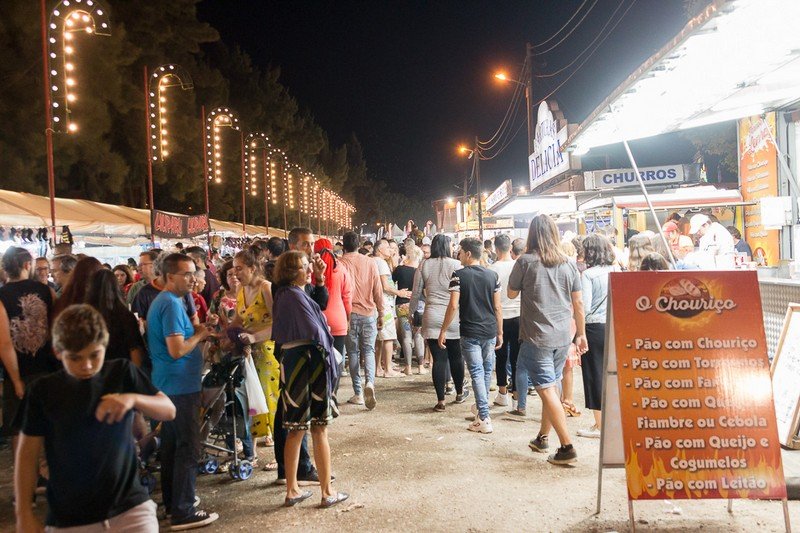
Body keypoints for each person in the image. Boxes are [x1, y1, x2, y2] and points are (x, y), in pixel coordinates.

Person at [14, 304, 176, 533]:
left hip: (131, 510)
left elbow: (169, 410)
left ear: (104, 345)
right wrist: (23, 513)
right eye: (75, 358)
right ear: (58, 352)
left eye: (94, 355)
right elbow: (27, 456)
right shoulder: (42, 391)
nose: (87, 365)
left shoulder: (121, 371)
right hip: (70, 519)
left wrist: (132, 399)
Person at [146, 253, 219, 529]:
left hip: (171, 384)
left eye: (193, 273)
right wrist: (200, 335)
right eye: (186, 274)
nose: (192, 279)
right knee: (188, 447)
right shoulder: (170, 304)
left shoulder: (169, 301)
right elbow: (176, 350)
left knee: (172, 447)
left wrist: (199, 330)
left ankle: (173, 503)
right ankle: (183, 510)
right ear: (169, 277)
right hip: (178, 386)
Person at [508, 214, 587, 465]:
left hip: (536, 336)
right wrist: (581, 334)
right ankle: (543, 437)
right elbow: (578, 303)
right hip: (563, 336)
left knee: (546, 388)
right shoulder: (568, 264)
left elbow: (511, 293)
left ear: (531, 234)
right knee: (551, 385)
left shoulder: (525, 262)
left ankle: (567, 446)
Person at [272, 251, 348, 508]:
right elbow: (316, 330)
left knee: (296, 429)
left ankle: (292, 489)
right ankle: (327, 491)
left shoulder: (287, 294)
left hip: (294, 364)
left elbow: (318, 307)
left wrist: (319, 279)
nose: (308, 270)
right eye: (303, 266)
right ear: (291, 271)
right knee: (319, 428)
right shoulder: (293, 295)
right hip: (310, 363)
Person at [0, 247, 58, 487]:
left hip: (19, 370)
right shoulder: (46, 291)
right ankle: (50, 477)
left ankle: (25, 486)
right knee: (50, 426)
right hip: (48, 369)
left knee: (20, 431)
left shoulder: (1, 296)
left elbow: (5, 343)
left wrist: (15, 379)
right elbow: (57, 331)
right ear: (27, 265)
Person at [439, 238, 502, 433]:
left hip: (470, 331)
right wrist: (499, 331)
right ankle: (481, 411)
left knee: (476, 372)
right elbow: (497, 307)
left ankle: (484, 417)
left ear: (468, 254)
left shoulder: (458, 275)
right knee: (485, 371)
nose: (458, 254)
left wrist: (443, 330)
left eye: (460, 251)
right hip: (489, 330)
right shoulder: (493, 275)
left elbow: (453, 305)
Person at [410, 234, 467, 411]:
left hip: (432, 315)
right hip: (452, 315)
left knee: (439, 359)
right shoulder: (457, 264)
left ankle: (441, 400)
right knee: (456, 356)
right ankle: (459, 392)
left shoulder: (424, 265)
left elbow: (416, 292)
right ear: (447, 247)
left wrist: (412, 312)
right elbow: (463, 292)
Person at [231, 249, 278, 456]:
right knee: (252, 400)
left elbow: (279, 323)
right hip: (247, 354)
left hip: (267, 352)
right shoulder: (240, 290)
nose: (236, 274)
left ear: (252, 268)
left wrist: (255, 337)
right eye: (234, 269)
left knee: (270, 398)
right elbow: (238, 320)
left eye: (239, 269)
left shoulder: (266, 288)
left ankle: (279, 452)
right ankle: (253, 452)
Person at [578, 233, 618, 439]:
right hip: (615, 326)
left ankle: (600, 425)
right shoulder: (618, 270)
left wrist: (578, 332)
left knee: (594, 375)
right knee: (613, 375)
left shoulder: (588, 275)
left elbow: (584, 306)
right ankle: (614, 421)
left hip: (594, 329)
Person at [339, 231, 383, 410]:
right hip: (368, 313)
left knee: (353, 352)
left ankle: (358, 393)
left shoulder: (340, 263)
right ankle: (370, 383)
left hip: (348, 314)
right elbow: (378, 289)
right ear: (358, 244)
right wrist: (381, 311)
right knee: (369, 350)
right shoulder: (370, 262)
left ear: (343, 245)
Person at [313, 238, 352, 391]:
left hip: (317, 320)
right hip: (338, 319)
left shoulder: (312, 269)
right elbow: (347, 297)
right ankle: (333, 395)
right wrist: (348, 318)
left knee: (318, 363)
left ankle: (321, 395)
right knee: (336, 361)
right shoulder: (341, 269)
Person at [86, 269, 146, 368]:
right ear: (116, 288)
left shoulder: (84, 315)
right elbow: (134, 348)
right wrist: (134, 373)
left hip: (92, 368)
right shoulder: (125, 315)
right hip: (121, 369)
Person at [488, 234, 520, 408]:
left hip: (499, 317)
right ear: (510, 248)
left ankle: (502, 394)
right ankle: (517, 397)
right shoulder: (519, 266)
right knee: (516, 358)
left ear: (496, 249)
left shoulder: (492, 269)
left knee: (500, 357)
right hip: (518, 316)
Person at [374, 239, 409, 378]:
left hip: (377, 303)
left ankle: (378, 368)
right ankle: (388, 369)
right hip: (385, 304)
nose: (390, 250)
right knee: (388, 337)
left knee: (379, 338)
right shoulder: (381, 263)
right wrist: (399, 292)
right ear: (379, 250)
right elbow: (386, 286)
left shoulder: (373, 261)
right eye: (387, 247)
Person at [393, 244, 425, 375]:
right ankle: (421, 367)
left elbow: (391, 282)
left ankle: (408, 367)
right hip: (419, 305)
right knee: (419, 335)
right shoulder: (422, 271)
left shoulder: (400, 269)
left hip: (403, 304)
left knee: (406, 336)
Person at [185, 246, 220, 311]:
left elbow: (211, 301)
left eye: (188, 260)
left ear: (197, 260)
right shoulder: (207, 274)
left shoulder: (205, 276)